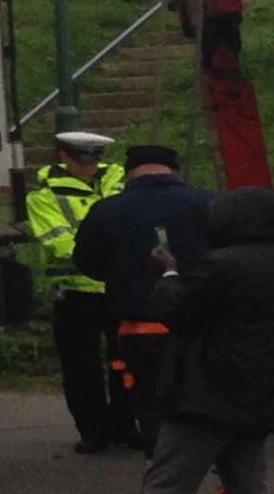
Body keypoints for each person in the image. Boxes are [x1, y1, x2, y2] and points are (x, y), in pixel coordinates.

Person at [82, 187, 274, 494]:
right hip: (258, 397)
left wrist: (167, 273)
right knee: (247, 491)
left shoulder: (222, 264)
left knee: (167, 488)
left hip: (207, 397)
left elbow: (177, 310)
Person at [71, 144, 212, 453]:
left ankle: (164, 478)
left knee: (151, 404)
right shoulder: (209, 203)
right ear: (174, 170)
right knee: (207, 402)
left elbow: (85, 261)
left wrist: (122, 277)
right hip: (203, 327)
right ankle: (225, 483)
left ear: (127, 172)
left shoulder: (107, 210)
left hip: (140, 328)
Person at [26, 130, 129, 454]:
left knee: (125, 361)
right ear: (64, 158)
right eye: (83, 160)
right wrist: (110, 254)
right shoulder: (44, 197)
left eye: (96, 159)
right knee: (81, 366)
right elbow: (59, 242)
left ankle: (126, 425)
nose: (91, 166)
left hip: (118, 287)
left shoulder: (119, 185)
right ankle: (93, 430)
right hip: (75, 292)